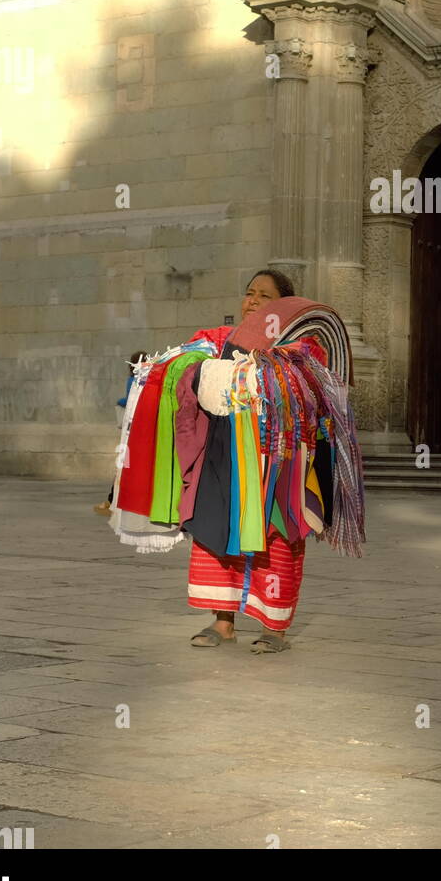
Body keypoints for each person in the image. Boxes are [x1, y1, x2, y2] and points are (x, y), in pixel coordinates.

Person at [111, 268, 365, 656]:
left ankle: (275, 627)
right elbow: (184, 361)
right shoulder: (218, 339)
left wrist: (256, 371)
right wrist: (201, 367)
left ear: (282, 306)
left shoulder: (303, 345)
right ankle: (223, 622)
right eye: (249, 293)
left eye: (264, 296)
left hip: (277, 461)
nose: (253, 301)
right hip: (224, 456)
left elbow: (309, 386)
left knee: (275, 536)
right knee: (217, 528)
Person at [94, 351, 144, 516]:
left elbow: (129, 401)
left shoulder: (133, 380)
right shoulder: (150, 380)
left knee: (123, 465)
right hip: (143, 431)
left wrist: (119, 402)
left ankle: (112, 499)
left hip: (130, 432)